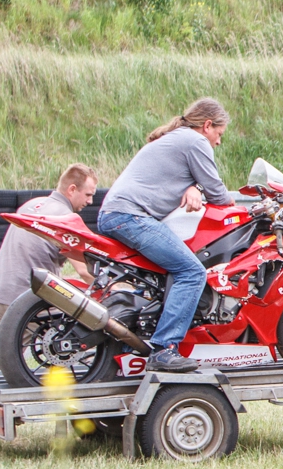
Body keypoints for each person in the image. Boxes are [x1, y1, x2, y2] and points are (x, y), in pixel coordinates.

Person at [96, 98, 234, 373]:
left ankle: (132, 340)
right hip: (130, 216)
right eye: (219, 134)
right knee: (192, 272)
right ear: (207, 126)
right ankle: (165, 349)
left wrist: (193, 186)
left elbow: (185, 177)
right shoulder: (195, 142)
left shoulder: (176, 139)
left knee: (161, 276)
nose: (218, 142)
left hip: (119, 214)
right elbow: (219, 194)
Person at [0, 164, 99, 355]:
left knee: (5, 362)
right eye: (88, 195)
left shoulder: (32, 205)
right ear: (72, 189)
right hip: (25, 297)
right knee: (87, 335)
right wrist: (113, 291)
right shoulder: (65, 218)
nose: (90, 201)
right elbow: (83, 270)